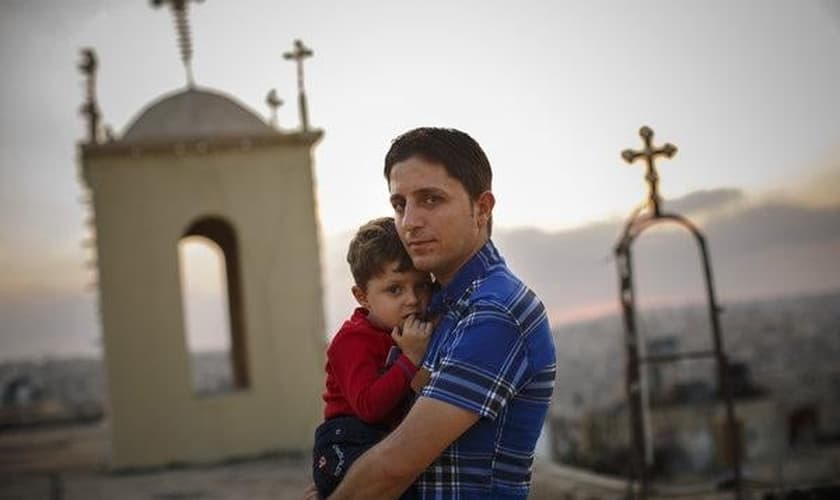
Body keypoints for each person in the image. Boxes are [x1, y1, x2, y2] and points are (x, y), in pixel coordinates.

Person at [326, 127, 557, 499]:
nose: (410, 222)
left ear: (482, 208)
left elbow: (395, 465)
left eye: (431, 199)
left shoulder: (494, 311)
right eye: (399, 205)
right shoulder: (434, 306)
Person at [311, 217, 434, 499]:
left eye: (421, 286)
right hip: (347, 441)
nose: (412, 299)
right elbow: (368, 407)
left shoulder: (409, 330)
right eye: (395, 289)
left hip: (383, 437)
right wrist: (410, 358)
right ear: (362, 297)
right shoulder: (353, 340)